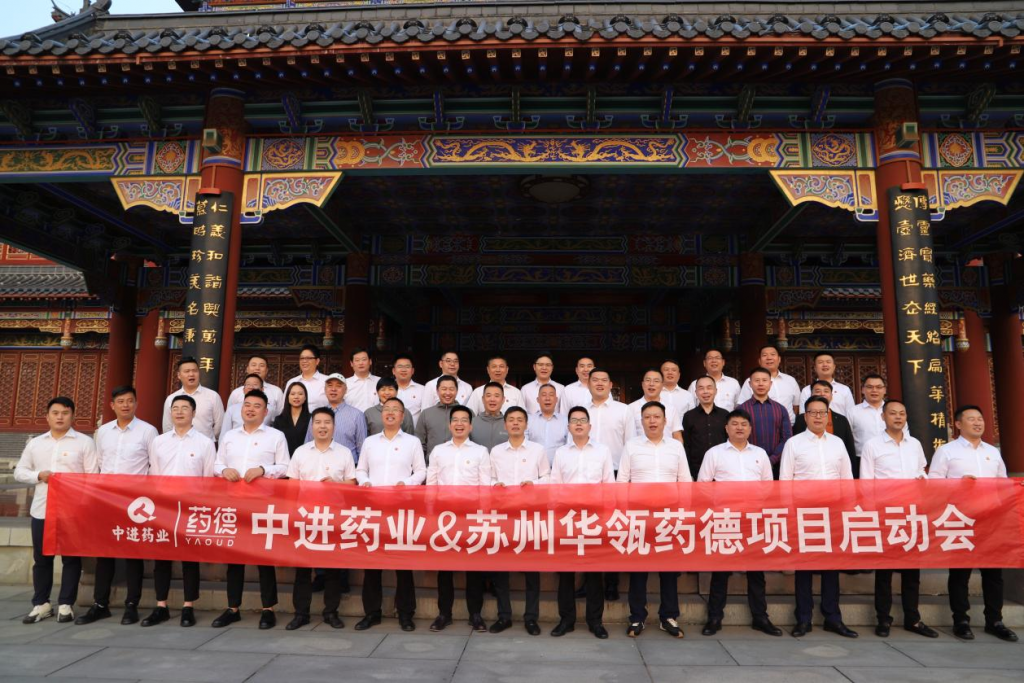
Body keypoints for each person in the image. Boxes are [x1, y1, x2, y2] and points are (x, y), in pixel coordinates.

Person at [929, 405, 1018, 642]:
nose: (978, 423)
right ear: (958, 424)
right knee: (960, 572)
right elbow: (933, 483)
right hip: (961, 518)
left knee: (993, 573)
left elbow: (1003, 482)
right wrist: (957, 484)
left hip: (991, 519)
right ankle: (961, 620)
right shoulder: (946, 451)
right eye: (971, 419)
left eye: (980, 419)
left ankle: (995, 620)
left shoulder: (992, 452)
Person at [75, 386, 157, 626]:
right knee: (104, 554)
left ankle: (132, 605)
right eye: (120, 401)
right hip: (107, 500)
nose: (125, 405)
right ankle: (100, 604)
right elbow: (100, 463)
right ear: (112, 405)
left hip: (135, 502)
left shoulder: (148, 431)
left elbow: (153, 466)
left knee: (133, 554)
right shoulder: (103, 432)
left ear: (136, 404)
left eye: (130, 401)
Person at [697, 409, 781, 637]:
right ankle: (715, 617)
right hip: (725, 519)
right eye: (734, 424)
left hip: (753, 519)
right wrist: (719, 505)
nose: (739, 428)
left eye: (744, 424)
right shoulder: (715, 453)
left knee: (756, 572)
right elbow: (703, 485)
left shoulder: (760, 454)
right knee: (721, 571)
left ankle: (760, 617)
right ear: (726, 428)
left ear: (750, 429)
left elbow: (768, 485)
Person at [779, 396, 857, 639]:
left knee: (831, 566)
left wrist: (848, 509)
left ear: (828, 415)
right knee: (804, 567)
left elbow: (847, 478)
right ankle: (803, 618)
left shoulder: (837, 443)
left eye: (822, 412)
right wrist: (789, 512)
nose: (818, 417)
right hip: (804, 512)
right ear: (805, 416)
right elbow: (785, 480)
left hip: (833, 512)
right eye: (813, 412)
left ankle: (832, 617)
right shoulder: (794, 443)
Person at [16, 397, 98, 625]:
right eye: (55, 413)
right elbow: (20, 471)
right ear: (47, 416)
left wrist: (83, 505)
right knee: (42, 558)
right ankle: (41, 603)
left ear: (73, 416)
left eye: (65, 413)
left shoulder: (84, 443)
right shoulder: (35, 443)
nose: (60, 417)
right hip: (42, 510)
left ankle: (65, 604)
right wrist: (38, 475)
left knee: (71, 558)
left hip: (72, 511)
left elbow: (92, 476)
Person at [212, 389, 289, 630]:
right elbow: (217, 463)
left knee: (263, 558)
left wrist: (263, 470)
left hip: (262, 505)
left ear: (266, 412)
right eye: (247, 405)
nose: (251, 409)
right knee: (234, 558)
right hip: (233, 504)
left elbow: (285, 466)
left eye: (257, 406)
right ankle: (232, 607)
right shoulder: (230, 436)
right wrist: (224, 470)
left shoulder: (276, 436)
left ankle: (268, 609)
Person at [860, 400, 937, 639]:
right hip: (886, 514)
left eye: (902, 413)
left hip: (912, 513)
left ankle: (912, 618)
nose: (898, 417)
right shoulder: (872, 445)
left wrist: (922, 481)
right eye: (892, 413)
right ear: (883, 417)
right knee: (884, 572)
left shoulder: (915, 444)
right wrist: (872, 514)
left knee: (912, 571)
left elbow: (922, 471)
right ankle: (883, 619)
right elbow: (866, 482)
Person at [142, 394, 216, 627]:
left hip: (191, 508)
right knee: (161, 558)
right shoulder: (159, 441)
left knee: (189, 558)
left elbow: (208, 479)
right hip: (163, 507)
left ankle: (188, 606)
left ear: (194, 413)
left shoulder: (205, 443)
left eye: (185, 408)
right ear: (170, 413)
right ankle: (161, 605)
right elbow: (154, 474)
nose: (180, 412)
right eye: (175, 408)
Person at [618, 401, 690, 638]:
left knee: (668, 569)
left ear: (665, 420)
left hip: (669, 515)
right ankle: (637, 617)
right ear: (641, 421)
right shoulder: (631, 446)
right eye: (647, 417)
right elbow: (622, 481)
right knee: (638, 569)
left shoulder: (676, 447)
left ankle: (668, 616)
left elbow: (685, 481)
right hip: (639, 515)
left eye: (656, 417)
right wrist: (625, 514)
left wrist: (684, 514)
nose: (652, 421)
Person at [355, 397, 426, 631]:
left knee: (402, 563)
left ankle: (405, 613)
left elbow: (421, 471)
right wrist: (364, 481)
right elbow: (361, 469)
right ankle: (371, 613)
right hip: (373, 508)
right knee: (372, 563)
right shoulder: (370, 442)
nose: (391, 412)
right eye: (387, 409)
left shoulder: (412, 442)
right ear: (381, 414)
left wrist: (406, 483)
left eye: (396, 409)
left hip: (401, 509)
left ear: (403, 416)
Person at [285, 406, 356, 631]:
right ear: (312, 426)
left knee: (333, 568)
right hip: (305, 517)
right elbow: (292, 485)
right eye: (318, 422)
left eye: (327, 422)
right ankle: (301, 613)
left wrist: (336, 485)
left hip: (334, 517)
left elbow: (352, 483)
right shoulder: (300, 452)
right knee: (303, 569)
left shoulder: (344, 452)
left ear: (334, 427)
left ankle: (331, 612)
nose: (322, 427)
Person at [549, 406, 612, 639]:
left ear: (589, 426)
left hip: (595, 517)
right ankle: (566, 619)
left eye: (582, 420)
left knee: (594, 572)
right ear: (568, 427)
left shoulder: (602, 451)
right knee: (566, 572)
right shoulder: (561, 453)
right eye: (574, 420)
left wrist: (607, 517)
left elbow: (609, 485)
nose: (578, 424)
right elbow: (555, 486)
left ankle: (595, 621)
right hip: (568, 517)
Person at [425, 405, 489, 632]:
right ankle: (444, 613)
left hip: (471, 516)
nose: (459, 424)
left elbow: (485, 487)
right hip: (444, 518)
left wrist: (482, 517)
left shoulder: (480, 452)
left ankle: (475, 614)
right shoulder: (438, 451)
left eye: (464, 420)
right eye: (455, 420)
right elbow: (431, 485)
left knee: (474, 568)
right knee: (445, 568)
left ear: (470, 426)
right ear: (450, 424)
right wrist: (431, 515)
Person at [487, 406, 549, 635]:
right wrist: (495, 485)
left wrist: (535, 484)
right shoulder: (496, 451)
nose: (515, 423)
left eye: (519, 420)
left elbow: (548, 477)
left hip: (529, 514)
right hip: (503, 514)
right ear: (505, 425)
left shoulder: (537, 450)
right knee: (501, 567)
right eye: (511, 420)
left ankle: (531, 617)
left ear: (526, 424)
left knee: (532, 569)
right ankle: (504, 616)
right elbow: (489, 478)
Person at [737, 367, 792, 477]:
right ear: (750, 384)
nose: (761, 384)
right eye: (757, 380)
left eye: (764, 380)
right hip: (748, 464)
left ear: (770, 384)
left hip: (776, 465)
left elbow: (787, 438)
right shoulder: (741, 410)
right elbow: (737, 437)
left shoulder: (780, 409)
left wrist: (772, 459)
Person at [848, 374, 903, 477]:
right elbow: (847, 439)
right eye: (869, 387)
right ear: (863, 389)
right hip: (861, 460)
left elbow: (904, 435)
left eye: (878, 387)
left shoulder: (894, 411)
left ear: (884, 390)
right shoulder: (852, 412)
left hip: (891, 459)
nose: (874, 390)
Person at [304, 373, 366, 463]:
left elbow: (362, 448)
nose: (333, 389)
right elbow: (308, 442)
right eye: (330, 386)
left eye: (338, 386)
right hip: (319, 465)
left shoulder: (357, 415)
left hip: (347, 466)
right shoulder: (317, 414)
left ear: (345, 390)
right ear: (325, 390)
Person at [162, 356, 224, 440]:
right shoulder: (171, 399)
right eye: (187, 371)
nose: (191, 374)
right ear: (179, 375)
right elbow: (167, 427)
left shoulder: (213, 396)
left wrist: (208, 439)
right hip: (179, 444)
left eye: (194, 371)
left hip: (204, 444)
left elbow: (220, 424)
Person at [793, 381, 856, 464]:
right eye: (818, 391)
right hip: (808, 462)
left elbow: (849, 448)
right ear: (811, 395)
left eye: (826, 391)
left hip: (834, 463)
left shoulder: (841, 420)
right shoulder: (801, 419)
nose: (822, 394)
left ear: (831, 396)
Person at [737, 345, 801, 424]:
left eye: (773, 354)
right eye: (764, 355)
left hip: (789, 426)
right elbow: (743, 406)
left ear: (779, 359)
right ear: (759, 361)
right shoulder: (750, 381)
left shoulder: (790, 380)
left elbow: (796, 406)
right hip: (761, 426)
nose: (769, 358)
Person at [682, 376, 729, 481]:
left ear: (716, 391)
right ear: (696, 392)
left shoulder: (725, 415)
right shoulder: (689, 416)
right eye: (701, 388)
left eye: (709, 387)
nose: (705, 391)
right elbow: (687, 446)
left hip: (722, 469)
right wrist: (689, 472)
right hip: (696, 469)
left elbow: (729, 442)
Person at [628, 368, 683, 443]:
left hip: (667, 449)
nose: (651, 384)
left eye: (656, 381)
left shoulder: (671, 409)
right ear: (643, 384)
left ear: (662, 385)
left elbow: (677, 436)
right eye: (648, 380)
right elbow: (628, 437)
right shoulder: (630, 408)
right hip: (639, 449)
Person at [415, 375, 461, 461]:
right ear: (437, 391)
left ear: (457, 391)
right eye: (444, 389)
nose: (448, 393)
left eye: (451, 389)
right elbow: (419, 443)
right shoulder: (426, 413)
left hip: (460, 464)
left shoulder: (467, 413)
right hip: (433, 464)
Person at [227, 354, 284, 420]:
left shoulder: (276, 391)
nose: (257, 368)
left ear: (266, 370)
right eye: (253, 365)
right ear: (247, 369)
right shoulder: (236, 393)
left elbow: (280, 415)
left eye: (261, 365)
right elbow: (229, 415)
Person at [798, 352, 855, 416]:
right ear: (815, 368)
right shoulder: (806, 390)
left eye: (828, 362)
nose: (825, 365)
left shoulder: (844, 389)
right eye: (820, 362)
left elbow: (851, 413)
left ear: (834, 367)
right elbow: (803, 414)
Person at [525, 383, 568, 465]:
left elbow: (568, 446)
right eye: (544, 395)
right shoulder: (529, 420)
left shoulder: (565, 421)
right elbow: (525, 445)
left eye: (551, 395)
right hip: (534, 467)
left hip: (558, 468)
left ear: (556, 399)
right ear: (538, 399)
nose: (547, 398)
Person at [219, 373, 267, 440]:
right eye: (248, 384)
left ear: (262, 389)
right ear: (243, 390)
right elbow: (224, 433)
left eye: (255, 384)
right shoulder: (232, 409)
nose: (251, 387)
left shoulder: (271, 409)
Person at [272, 381, 311, 456]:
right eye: (293, 394)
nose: (296, 397)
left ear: (305, 397)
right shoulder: (279, 420)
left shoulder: (312, 419)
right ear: (287, 397)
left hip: (306, 458)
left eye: (300, 394)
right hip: (284, 459)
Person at [285, 344, 328, 410]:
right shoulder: (292, 382)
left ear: (317, 361)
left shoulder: (327, 381)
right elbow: (285, 406)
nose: (304, 361)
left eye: (308, 358)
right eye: (302, 358)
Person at [470, 382, 510, 451]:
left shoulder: (509, 424)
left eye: (496, 396)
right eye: (488, 396)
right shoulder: (471, 423)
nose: (492, 399)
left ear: (503, 400)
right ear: (483, 399)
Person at [345, 347, 381, 413]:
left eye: (364, 359)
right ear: (351, 363)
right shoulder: (345, 383)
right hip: (352, 419)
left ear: (370, 361)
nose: (361, 363)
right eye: (357, 360)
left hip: (375, 419)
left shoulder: (379, 381)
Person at [392, 354, 425, 426]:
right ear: (393, 371)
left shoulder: (423, 390)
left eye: (407, 367)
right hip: (391, 430)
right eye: (400, 366)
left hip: (414, 432)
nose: (403, 370)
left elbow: (425, 414)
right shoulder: (387, 390)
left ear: (412, 371)